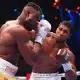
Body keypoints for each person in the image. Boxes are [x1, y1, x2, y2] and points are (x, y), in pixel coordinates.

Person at [0, 2, 43, 78]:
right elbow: (32, 59)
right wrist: (40, 35)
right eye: (36, 18)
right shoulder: (20, 31)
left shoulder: (8, 24)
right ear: (27, 14)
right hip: (3, 73)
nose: (37, 22)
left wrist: (33, 36)